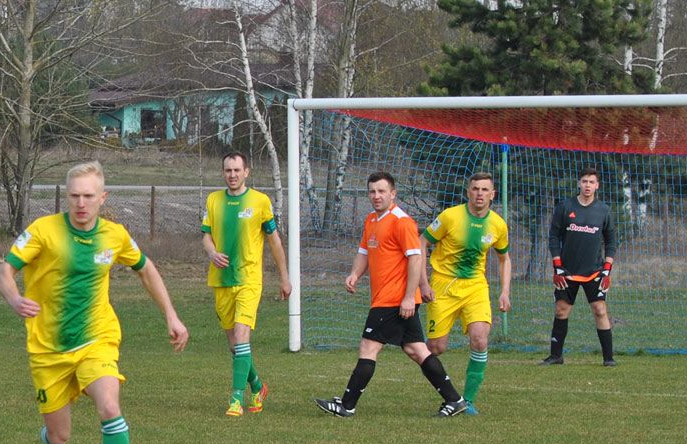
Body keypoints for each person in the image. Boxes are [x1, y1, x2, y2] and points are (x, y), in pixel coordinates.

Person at [0, 161, 189, 444]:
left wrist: (171, 315)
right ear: (66, 197)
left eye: (88, 196)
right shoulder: (43, 231)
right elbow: (4, 271)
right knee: (60, 434)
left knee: (109, 407)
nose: (81, 203)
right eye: (74, 196)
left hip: (97, 339)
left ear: (103, 197)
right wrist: (13, 298)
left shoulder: (114, 235)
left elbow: (146, 269)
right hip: (48, 349)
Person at [315, 172, 470, 418]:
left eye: (381, 191)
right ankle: (455, 399)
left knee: (368, 347)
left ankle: (347, 405)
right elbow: (364, 251)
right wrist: (355, 274)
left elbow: (416, 258)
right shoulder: (371, 220)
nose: (376, 196)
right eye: (372, 191)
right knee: (416, 350)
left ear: (393, 194)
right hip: (386, 298)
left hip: (394, 300)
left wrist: (410, 297)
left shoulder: (401, 221)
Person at [199, 151, 290, 417]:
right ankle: (258, 386)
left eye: (237, 170)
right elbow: (205, 236)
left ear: (246, 172)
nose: (232, 175)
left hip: (249, 280)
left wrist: (284, 276)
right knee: (235, 347)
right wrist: (212, 253)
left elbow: (274, 241)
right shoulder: (213, 200)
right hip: (221, 281)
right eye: (228, 170)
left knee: (241, 337)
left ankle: (236, 399)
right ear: (223, 172)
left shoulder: (260, 201)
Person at [423, 172, 512, 414]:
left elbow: (504, 259)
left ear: (492, 194)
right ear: (468, 192)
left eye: (485, 190)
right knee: (436, 348)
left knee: (480, 340)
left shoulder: (498, 224)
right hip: (444, 285)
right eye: (475, 189)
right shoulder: (450, 217)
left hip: (475, 287)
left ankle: (467, 401)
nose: (480, 194)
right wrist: (423, 283)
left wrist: (505, 292)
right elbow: (422, 243)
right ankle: (449, 393)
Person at [542, 168, 618, 366]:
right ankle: (556, 356)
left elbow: (611, 241)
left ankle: (608, 359)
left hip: (594, 271)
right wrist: (557, 266)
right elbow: (553, 237)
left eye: (591, 182)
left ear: (597, 186)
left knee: (600, 310)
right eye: (584, 181)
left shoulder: (603, 210)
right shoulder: (566, 207)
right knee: (561, 309)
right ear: (579, 183)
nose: (587, 185)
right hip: (567, 271)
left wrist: (607, 269)